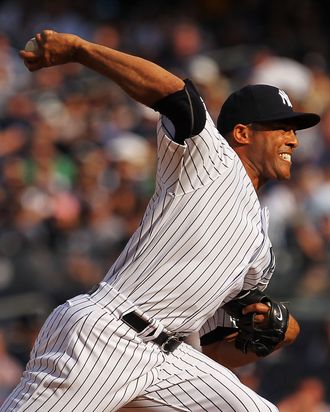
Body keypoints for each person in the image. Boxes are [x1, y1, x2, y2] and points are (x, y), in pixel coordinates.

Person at [1, 30, 319, 412]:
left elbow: (216, 350)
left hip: (169, 358)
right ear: (241, 133)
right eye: (282, 128)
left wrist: (274, 333)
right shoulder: (211, 160)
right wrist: (80, 50)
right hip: (106, 336)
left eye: (294, 130)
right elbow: (174, 94)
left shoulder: (260, 245)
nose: (294, 140)